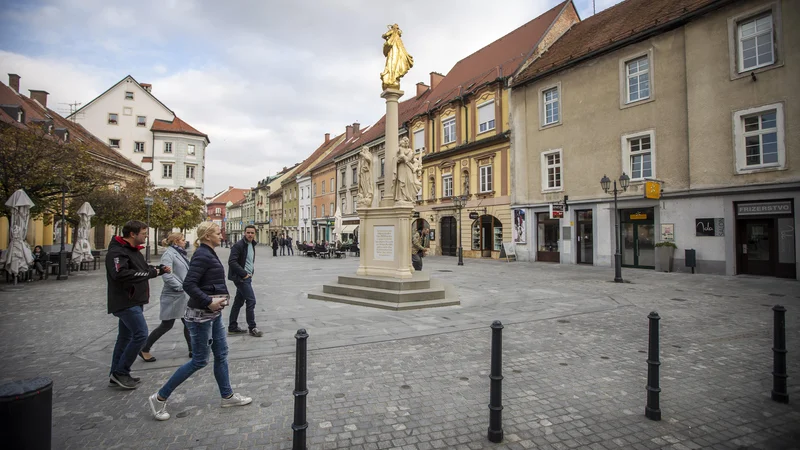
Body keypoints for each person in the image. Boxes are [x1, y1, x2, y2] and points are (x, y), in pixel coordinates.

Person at [148, 221, 252, 421]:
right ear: (206, 237)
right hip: (201, 317)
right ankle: (159, 397)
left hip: (212, 315)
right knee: (199, 360)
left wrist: (217, 299)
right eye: (217, 233)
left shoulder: (208, 253)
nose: (221, 235)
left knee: (221, 354)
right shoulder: (202, 255)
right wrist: (208, 302)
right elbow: (189, 284)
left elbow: (208, 282)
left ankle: (227, 396)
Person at [106, 220, 171, 389]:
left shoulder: (133, 251)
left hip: (133, 300)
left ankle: (116, 374)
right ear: (133, 234)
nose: (146, 236)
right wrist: (150, 273)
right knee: (141, 334)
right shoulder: (117, 252)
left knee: (125, 338)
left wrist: (158, 269)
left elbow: (141, 268)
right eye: (144, 233)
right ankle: (121, 371)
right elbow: (121, 274)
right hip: (125, 301)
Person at [139, 233, 192, 362]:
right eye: (183, 240)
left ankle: (193, 349)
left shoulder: (179, 253)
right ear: (176, 242)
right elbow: (166, 274)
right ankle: (144, 348)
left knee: (188, 322)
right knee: (167, 324)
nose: (185, 242)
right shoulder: (168, 254)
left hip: (182, 295)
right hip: (174, 295)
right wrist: (180, 287)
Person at [227, 225, 262, 337]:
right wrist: (244, 274)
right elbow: (232, 262)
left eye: (252, 233)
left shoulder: (252, 244)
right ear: (244, 233)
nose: (250, 235)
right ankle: (252, 327)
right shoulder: (238, 245)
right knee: (251, 301)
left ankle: (232, 327)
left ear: (254, 233)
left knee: (238, 302)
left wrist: (251, 272)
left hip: (247, 277)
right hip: (242, 278)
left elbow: (249, 260)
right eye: (248, 232)